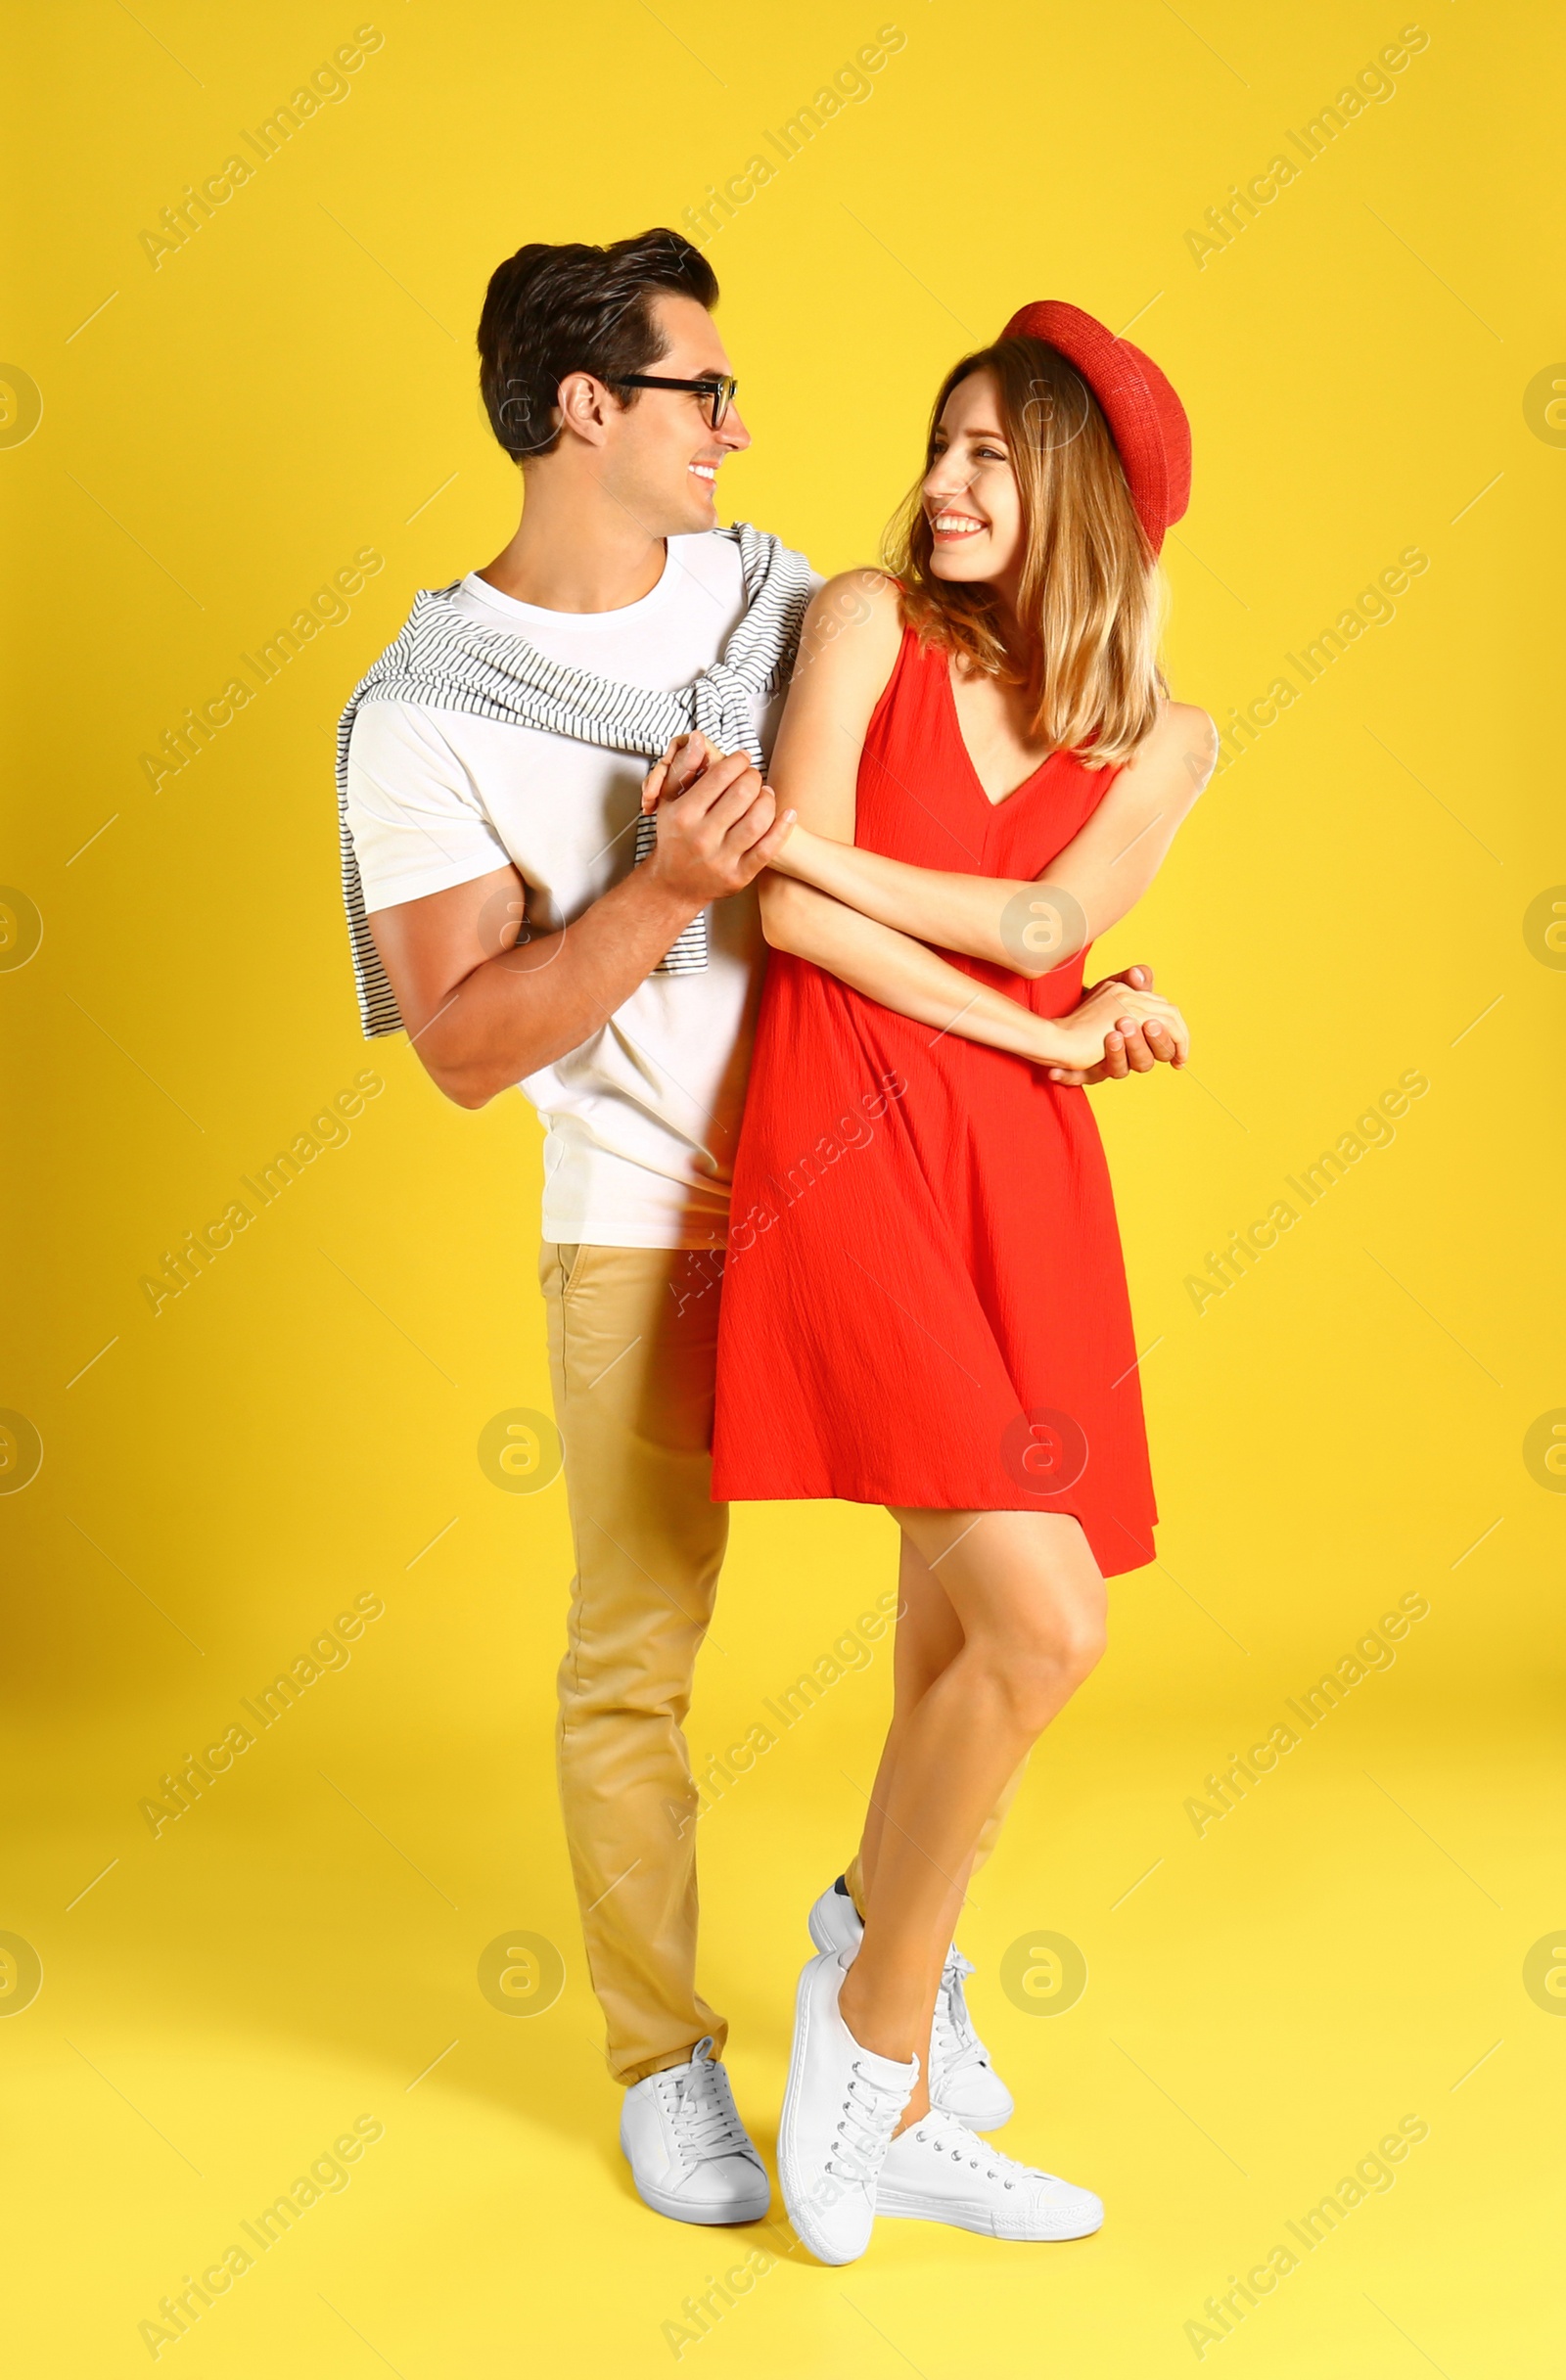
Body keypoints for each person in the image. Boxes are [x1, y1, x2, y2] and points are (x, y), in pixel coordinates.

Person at [338, 236, 1182, 2231]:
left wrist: (1064, 971)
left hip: (874, 1177)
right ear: (583, 412)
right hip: (646, 1208)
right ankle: (662, 2059)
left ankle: (886, 1995)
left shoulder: (782, 596)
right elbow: (462, 1044)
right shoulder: (419, 717)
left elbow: (946, 804)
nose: (738, 423)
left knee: (970, 1616)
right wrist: (657, 892)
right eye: (699, 393)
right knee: (637, 1651)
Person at [673, 299, 1215, 2262]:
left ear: (1083, 491)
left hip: (1016, 1171)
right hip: (848, 1142)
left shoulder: (1163, 730)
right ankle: (870, 2038)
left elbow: (1049, 909)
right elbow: (789, 912)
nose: (943, 485)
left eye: (993, 455)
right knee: (1041, 1627)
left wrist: (1048, 981)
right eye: (941, 442)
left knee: (949, 1652)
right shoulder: (861, 622)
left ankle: (875, 1974)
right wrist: (1045, 1014)